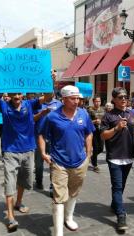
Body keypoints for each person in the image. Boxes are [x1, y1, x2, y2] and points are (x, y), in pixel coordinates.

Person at [0, 66, 47, 232]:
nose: (16, 96)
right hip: (10, 151)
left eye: (19, 93)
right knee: (10, 182)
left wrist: (52, 80)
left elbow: (48, 97)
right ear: (10, 95)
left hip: (28, 150)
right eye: (13, 94)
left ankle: (19, 202)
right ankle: (11, 217)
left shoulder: (30, 103)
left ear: (23, 94)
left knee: (25, 181)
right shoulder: (4, 106)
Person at [38, 85, 94, 236]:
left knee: (74, 192)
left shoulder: (84, 114)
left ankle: (68, 218)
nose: (77, 101)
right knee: (59, 197)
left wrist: (88, 154)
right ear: (64, 99)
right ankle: (58, 232)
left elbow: (89, 133)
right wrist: (43, 153)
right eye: (73, 98)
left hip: (80, 162)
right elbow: (42, 135)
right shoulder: (52, 116)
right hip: (59, 162)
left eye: (78, 98)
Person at [100, 87, 134, 231]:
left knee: (121, 185)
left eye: (125, 97)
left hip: (129, 156)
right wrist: (116, 128)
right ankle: (121, 215)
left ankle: (114, 204)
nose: (124, 99)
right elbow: (103, 135)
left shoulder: (132, 114)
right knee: (117, 186)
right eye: (120, 97)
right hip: (114, 157)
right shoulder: (108, 116)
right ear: (114, 99)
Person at [33, 91, 62, 190]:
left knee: (53, 162)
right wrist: (42, 113)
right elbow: (32, 119)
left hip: (53, 138)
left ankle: (52, 185)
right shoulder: (37, 104)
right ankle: (39, 181)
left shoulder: (59, 104)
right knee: (39, 162)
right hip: (39, 137)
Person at [87, 95, 105, 173]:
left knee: (101, 148)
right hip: (93, 131)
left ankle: (92, 157)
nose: (97, 103)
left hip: (101, 131)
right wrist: (94, 121)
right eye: (96, 101)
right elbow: (86, 121)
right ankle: (95, 165)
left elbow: (105, 120)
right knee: (96, 148)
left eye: (99, 101)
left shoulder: (103, 110)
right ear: (93, 102)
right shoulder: (90, 110)